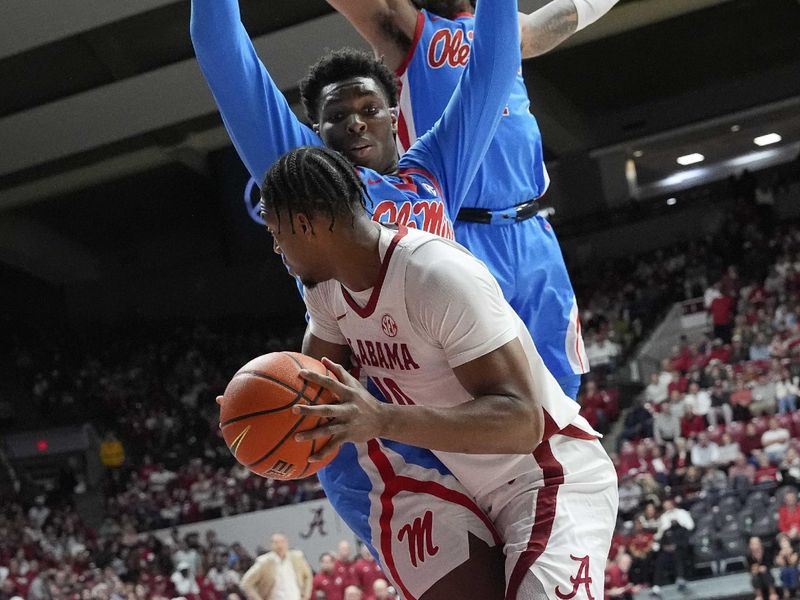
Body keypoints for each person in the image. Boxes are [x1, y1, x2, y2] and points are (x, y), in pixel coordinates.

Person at [192, 0, 535, 595]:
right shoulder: (301, 171)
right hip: (372, 433)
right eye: (336, 115)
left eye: (370, 108)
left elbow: (494, 65)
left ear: (394, 115)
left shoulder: (432, 172)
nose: (354, 123)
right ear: (314, 133)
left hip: (458, 412)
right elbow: (223, 53)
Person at [261, 145, 618, 599]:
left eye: (276, 231)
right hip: (464, 486)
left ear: (307, 225)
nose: (275, 246)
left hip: (547, 474)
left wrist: (382, 418)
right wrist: (262, 411)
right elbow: (312, 392)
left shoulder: (435, 275)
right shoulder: (327, 289)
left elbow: (523, 422)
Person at [323, 0, 619, 399]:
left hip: (532, 228)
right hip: (459, 230)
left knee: (561, 380)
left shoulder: (503, 27)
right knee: (484, 387)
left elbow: (569, 13)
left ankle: (565, 461)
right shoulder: (407, 29)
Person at [239, 533, 312, 600]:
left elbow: (308, 576)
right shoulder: (264, 562)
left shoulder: (297, 557)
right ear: (271, 545)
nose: (280, 546)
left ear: (287, 543)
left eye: (282, 542)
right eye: (276, 543)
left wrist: (306, 595)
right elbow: (246, 583)